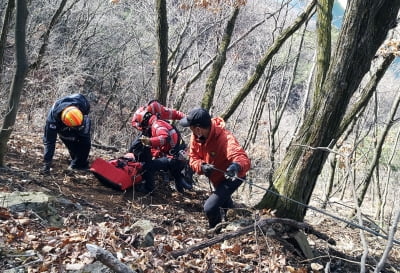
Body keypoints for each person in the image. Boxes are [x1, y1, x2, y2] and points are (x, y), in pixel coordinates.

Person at [179, 108, 251, 230]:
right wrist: (201, 166)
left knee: (210, 207)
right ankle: (230, 226)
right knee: (224, 203)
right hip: (217, 178)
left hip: (233, 177)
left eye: (190, 127)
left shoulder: (225, 138)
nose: (190, 130)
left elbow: (242, 158)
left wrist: (236, 166)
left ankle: (215, 231)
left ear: (198, 129)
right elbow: (193, 158)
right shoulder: (196, 137)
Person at [130, 104, 192, 193]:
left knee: (148, 167)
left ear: (144, 121)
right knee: (177, 175)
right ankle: (181, 188)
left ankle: (149, 189)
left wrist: (150, 141)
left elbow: (165, 138)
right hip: (179, 156)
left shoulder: (156, 125)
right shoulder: (159, 122)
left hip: (174, 158)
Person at [42, 93, 91, 174]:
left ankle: (79, 163)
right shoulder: (52, 121)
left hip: (81, 119)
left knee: (85, 142)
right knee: (69, 140)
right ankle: (75, 162)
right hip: (62, 124)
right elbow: (49, 142)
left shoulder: (83, 103)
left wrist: (80, 126)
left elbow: (86, 109)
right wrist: (47, 163)